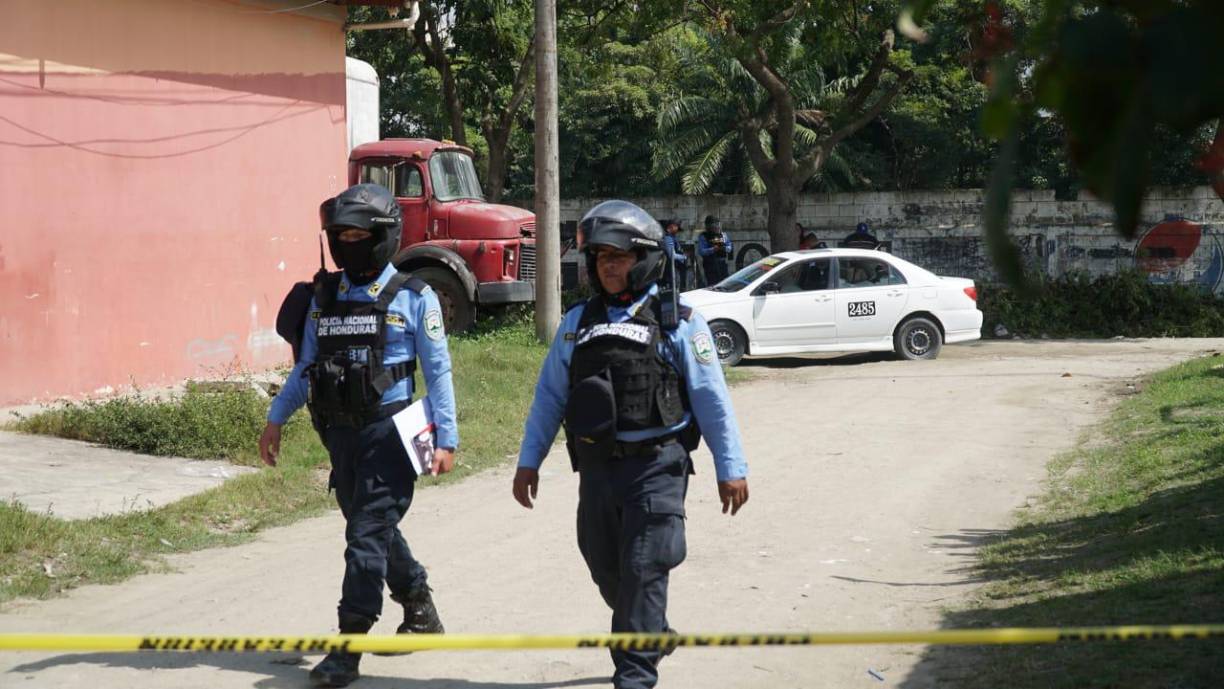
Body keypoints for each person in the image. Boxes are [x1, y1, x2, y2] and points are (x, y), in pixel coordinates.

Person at [512, 200, 750, 689]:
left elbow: (711, 398)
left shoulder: (679, 321)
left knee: (645, 567)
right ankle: (653, 630)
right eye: (600, 258)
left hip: (658, 467)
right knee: (605, 566)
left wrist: (731, 466)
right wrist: (528, 461)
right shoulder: (578, 323)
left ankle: (635, 675)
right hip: (598, 469)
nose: (608, 266)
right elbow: (550, 396)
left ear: (642, 259)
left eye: (618, 257)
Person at [259, 183, 459, 688]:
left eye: (359, 234)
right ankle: (418, 605)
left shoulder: (416, 297)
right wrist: (276, 418)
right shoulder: (323, 298)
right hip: (338, 436)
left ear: (384, 236)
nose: (349, 243)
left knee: (365, 537)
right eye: (341, 235)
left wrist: (447, 439)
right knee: (374, 530)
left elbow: (438, 373)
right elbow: (306, 368)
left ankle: (348, 647)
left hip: (390, 435)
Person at [697, 215, 732, 285]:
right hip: (710, 265)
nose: (716, 226)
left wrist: (724, 248)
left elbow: (729, 248)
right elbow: (701, 251)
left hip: (722, 264)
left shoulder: (723, 235)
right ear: (708, 226)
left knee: (725, 285)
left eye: (717, 224)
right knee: (713, 285)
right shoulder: (703, 236)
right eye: (713, 224)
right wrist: (713, 249)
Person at [661, 218, 688, 290]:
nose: (677, 229)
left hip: (677, 269)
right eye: (676, 227)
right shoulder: (668, 238)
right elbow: (672, 255)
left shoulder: (672, 237)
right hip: (672, 270)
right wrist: (684, 257)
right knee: (674, 290)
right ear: (671, 226)